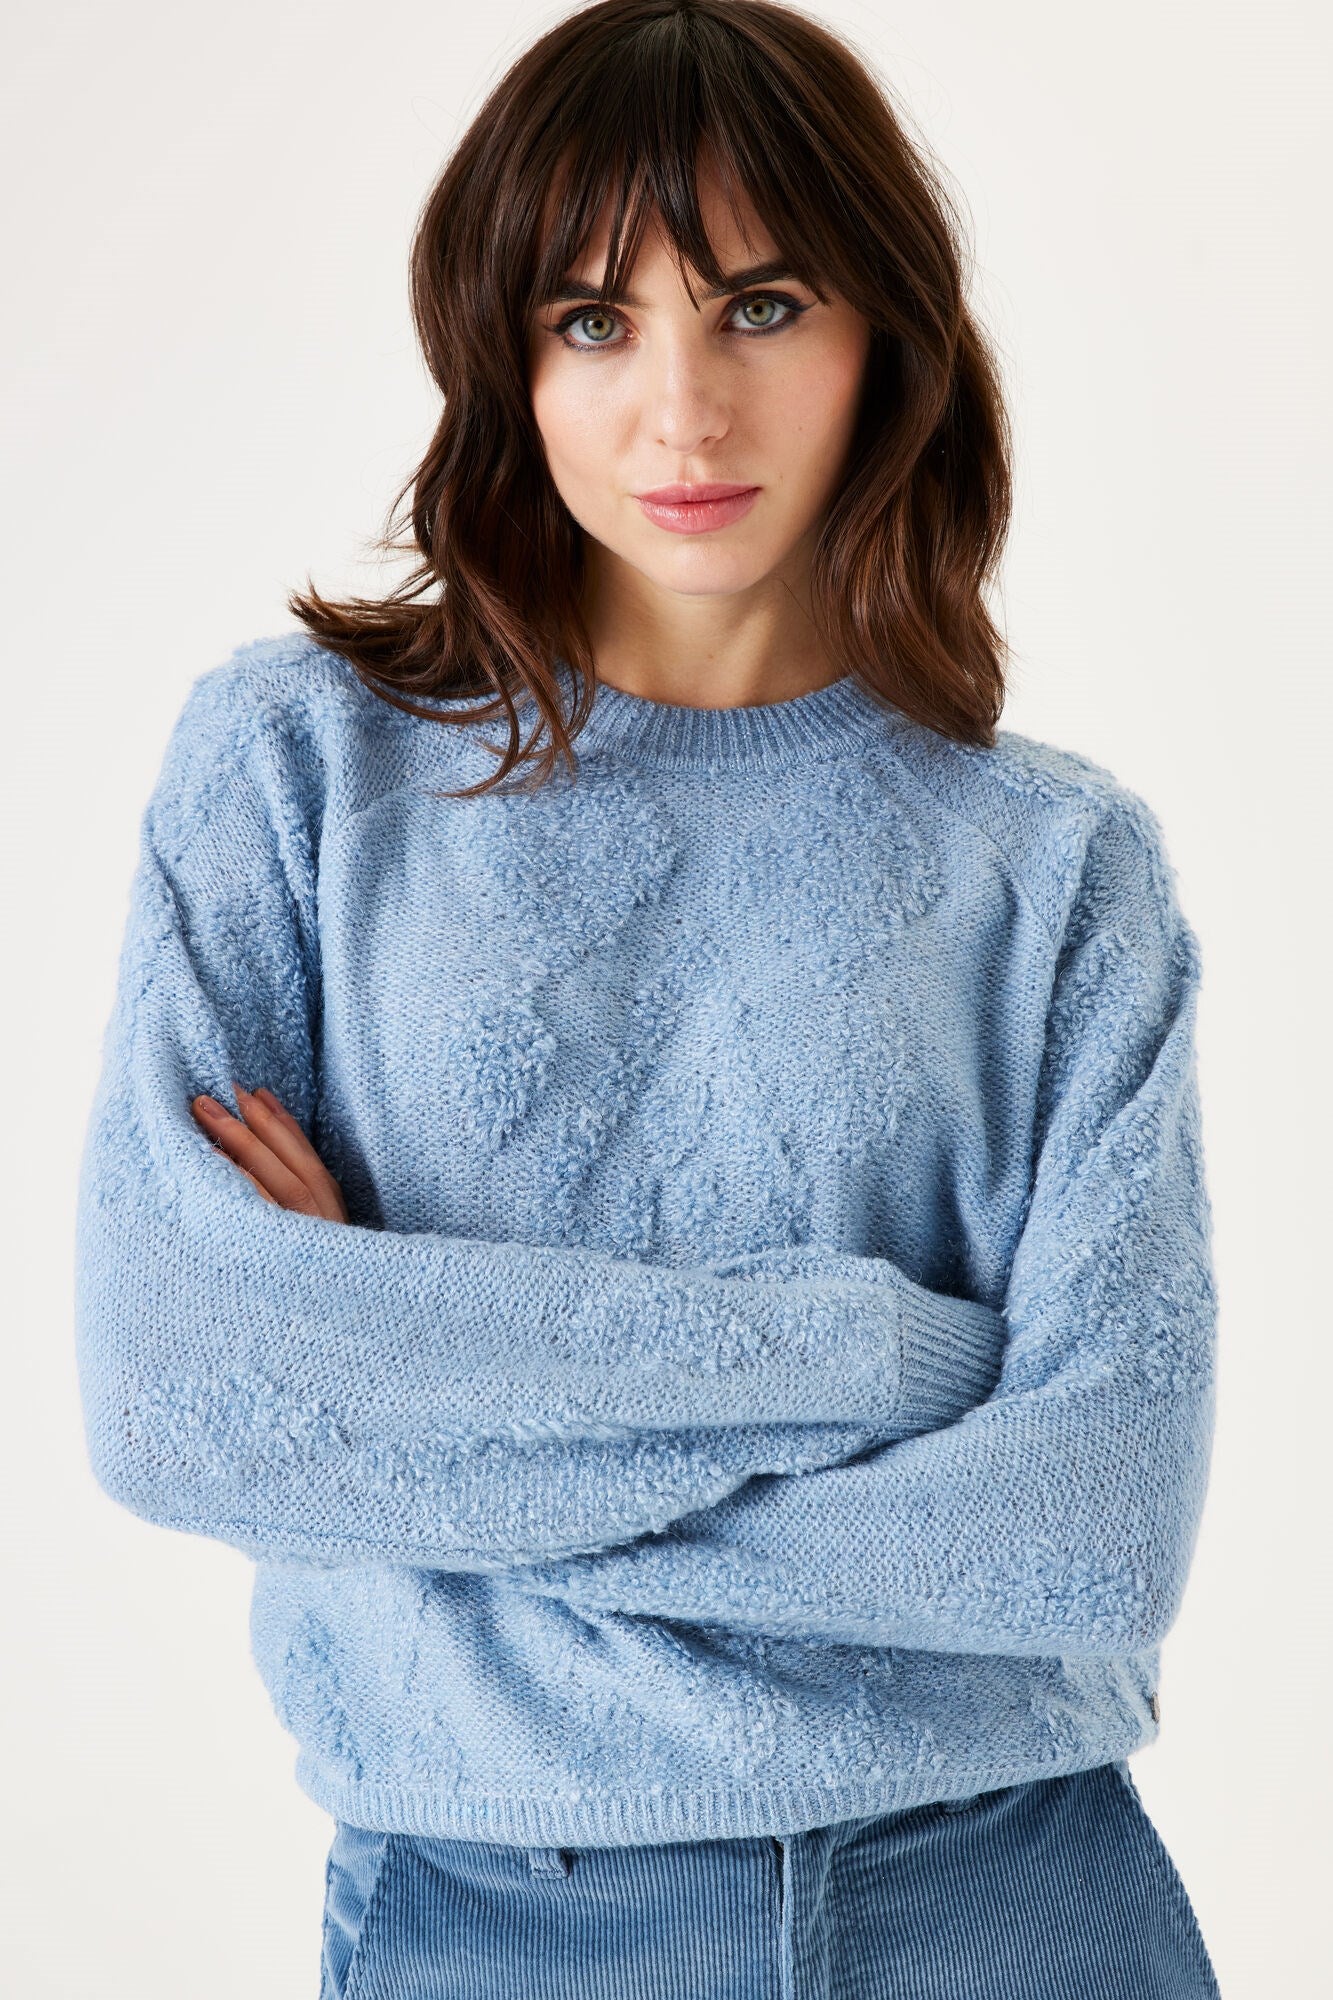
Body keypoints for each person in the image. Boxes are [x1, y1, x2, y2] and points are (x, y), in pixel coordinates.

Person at [73, 1, 1223, 1993]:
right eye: (592, 321)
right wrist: (878, 1357)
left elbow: (1087, 1525)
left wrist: (434, 1454)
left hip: (1009, 1901)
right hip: (497, 1915)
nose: (682, 416)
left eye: (759, 307)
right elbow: (189, 1391)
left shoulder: (1056, 867)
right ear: (498, 357)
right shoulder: (297, 770)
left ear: (887, 337)